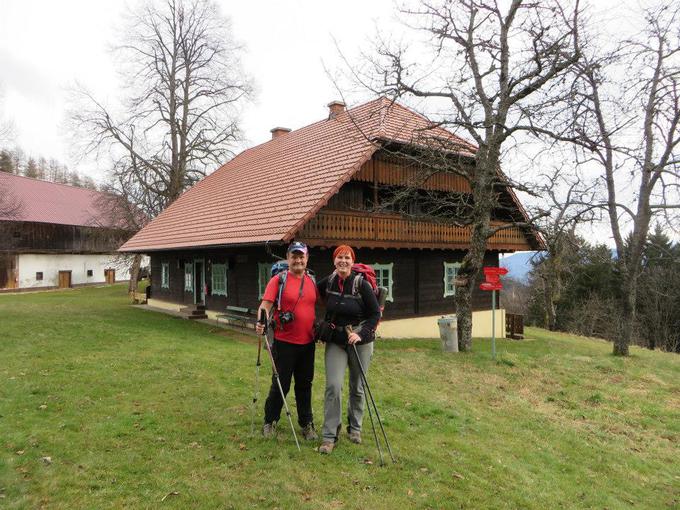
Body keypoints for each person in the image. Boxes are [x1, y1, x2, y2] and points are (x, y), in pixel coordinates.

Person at [316, 245, 381, 454]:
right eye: (339, 257)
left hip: (360, 341)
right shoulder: (330, 282)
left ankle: (355, 428)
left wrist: (361, 334)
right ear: (334, 261)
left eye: (347, 257)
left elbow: (374, 314)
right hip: (336, 340)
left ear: (352, 262)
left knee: (357, 386)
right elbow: (310, 294)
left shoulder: (361, 285)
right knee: (333, 386)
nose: (343, 261)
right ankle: (329, 435)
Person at [255, 241, 319, 441]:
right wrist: (260, 323)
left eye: (301, 256)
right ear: (288, 258)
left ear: (307, 258)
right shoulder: (278, 280)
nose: (298, 260)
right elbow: (265, 306)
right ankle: (270, 421)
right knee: (281, 383)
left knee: (305, 384)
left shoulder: (312, 281)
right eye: (294, 256)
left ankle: (307, 424)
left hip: (308, 343)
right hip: (284, 342)